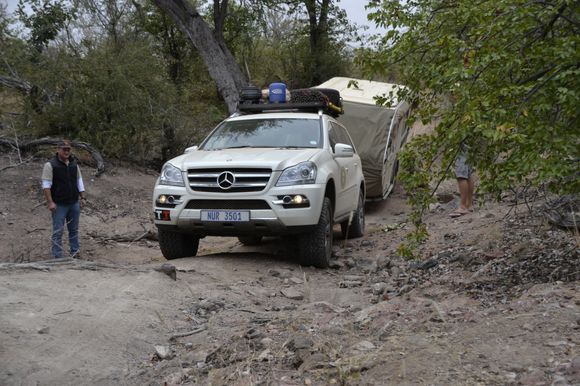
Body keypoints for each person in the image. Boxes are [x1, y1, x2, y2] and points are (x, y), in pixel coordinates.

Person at [41, 139, 87, 258]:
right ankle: (57, 257)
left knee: (74, 230)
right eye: (64, 149)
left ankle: (75, 253)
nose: (66, 152)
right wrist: (50, 202)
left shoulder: (73, 163)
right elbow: (46, 186)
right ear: (58, 149)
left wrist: (82, 197)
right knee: (58, 231)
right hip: (59, 204)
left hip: (74, 203)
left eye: (68, 150)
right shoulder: (50, 165)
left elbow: (79, 180)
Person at [449, 144, 474, 218]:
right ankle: (468, 205)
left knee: (461, 176)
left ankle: (463, 207)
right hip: (471, 144)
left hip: (463, 145)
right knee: (468, 174)